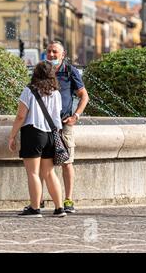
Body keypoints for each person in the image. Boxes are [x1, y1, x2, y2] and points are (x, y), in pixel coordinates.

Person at [8, 62, 67, 218]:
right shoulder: (56, 93)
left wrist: (12, 135)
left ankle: (35, 209)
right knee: (49, 173)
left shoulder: (29, 91)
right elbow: (57, 116)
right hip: (51, 135)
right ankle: (59, 208)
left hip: (33, 133)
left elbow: (21, 116)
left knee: (33, 173)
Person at [42, 41, 89, 213]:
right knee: (43, 163)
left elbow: (84, 96)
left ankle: (68, 200)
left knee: (67, 162)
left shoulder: (70, 71)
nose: (51, 55)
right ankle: (38, 199)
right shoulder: (43, 71)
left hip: (64, 123)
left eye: (55, 52)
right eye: (49, 51)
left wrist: (75, 116)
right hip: (45, 124)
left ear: (63, 54)